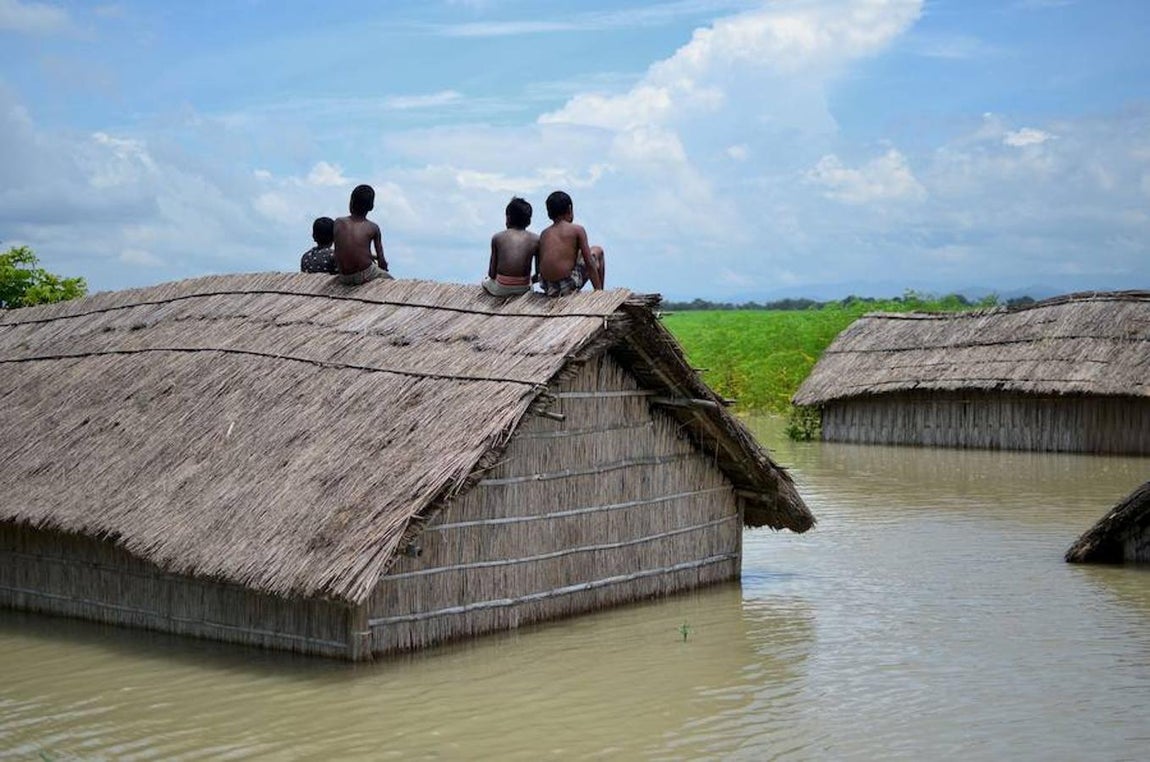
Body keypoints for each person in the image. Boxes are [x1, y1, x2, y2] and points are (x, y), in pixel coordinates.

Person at [538, 190, 605, 297]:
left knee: (576, 253)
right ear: (570, 209)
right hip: (567, 285)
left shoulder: (544, 233)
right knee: (598, 251)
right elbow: (589, 263)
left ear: (549, 214)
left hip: (548, 287)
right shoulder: (577, 230)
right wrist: (598, 293)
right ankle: (600, 292)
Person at [334, 184, 393, 285]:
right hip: (364, 274)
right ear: (371, 207)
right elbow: (381, 261)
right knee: (390, 281)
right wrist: (383, 267)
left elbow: (345, 249)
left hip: (343, 276)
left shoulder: (338, 222)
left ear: (351, 202)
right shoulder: (373, 227)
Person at [483, 197, 539, 297]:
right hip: (523, 289)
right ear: (529, 221)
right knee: (530, 287)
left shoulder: (497, 237)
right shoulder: (536, 239)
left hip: (500, 289)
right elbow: (539, 273)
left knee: (485, 281)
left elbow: (492, 273)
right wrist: (529, 281)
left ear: (508, 218)